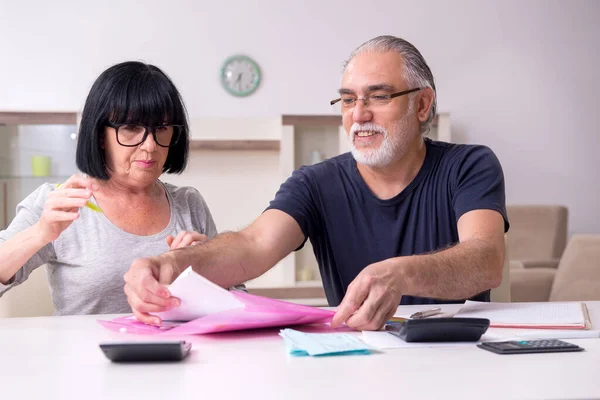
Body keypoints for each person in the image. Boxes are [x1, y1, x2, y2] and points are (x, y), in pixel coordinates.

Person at [124, 35, 509, 330]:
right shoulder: (315, 182)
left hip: (459, 355)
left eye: (378, 96)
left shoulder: (469, 165)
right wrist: (170, 265)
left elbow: (485, 258)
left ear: (422, 104)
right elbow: (254, 245)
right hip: (358, 353)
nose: (358, 115)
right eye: (347, 100)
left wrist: (401, 272)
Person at [0, 61, 217, 315]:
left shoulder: (189, 204)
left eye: (161, 128)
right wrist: (40, 233)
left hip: (176, 352)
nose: (150, 146)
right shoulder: (61, 202)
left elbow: (236, 298)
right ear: (100, 135)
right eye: (132, 128)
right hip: (85, 355)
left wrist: (202, 270)